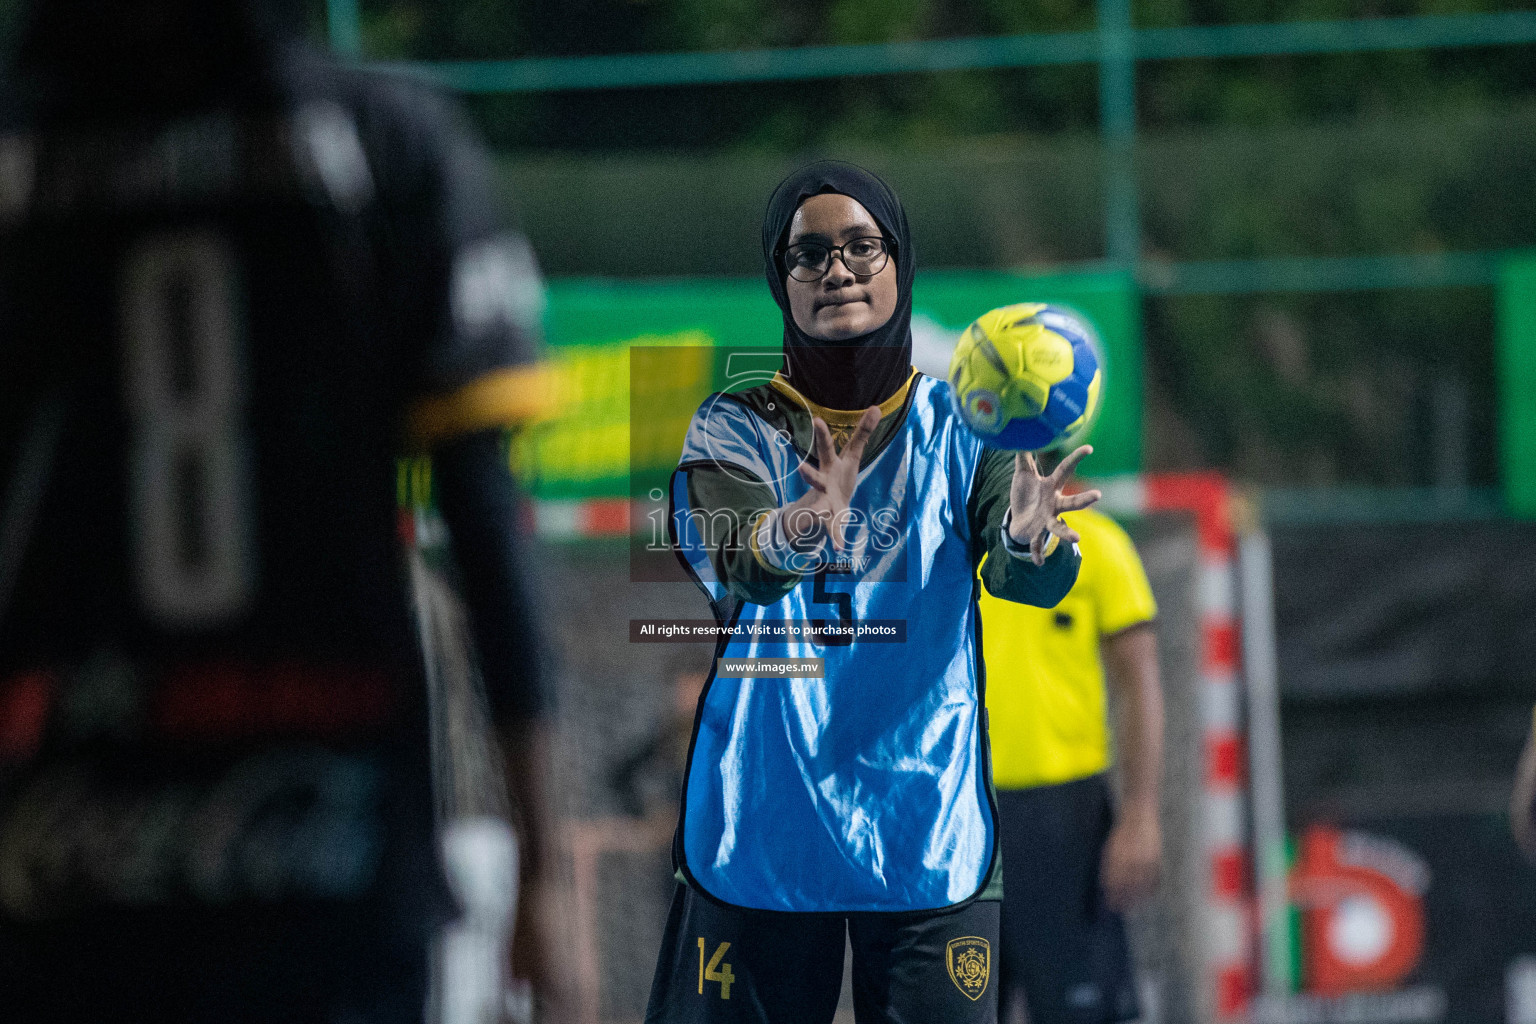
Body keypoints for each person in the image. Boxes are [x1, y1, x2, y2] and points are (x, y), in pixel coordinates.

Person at [0, 1, 561, 1020]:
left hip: (61, 837)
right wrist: (551, 872)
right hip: (331, 842)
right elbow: (488, 529)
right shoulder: (387, 141)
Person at [645, 160, 1100, 1024]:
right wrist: (803, 527)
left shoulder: (969, 428)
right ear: (779, 282)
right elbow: (736, 560)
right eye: (808, 253)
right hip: (762, 826)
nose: (838, 268)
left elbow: (1021, 575)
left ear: (901, 262)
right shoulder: (731, 425)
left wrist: (1031, 537)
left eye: (862, 245)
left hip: (925, 829)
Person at [979, 505, 1163, 1024]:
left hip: (1065, 818)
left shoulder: (1099, 544)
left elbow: (1139, 681)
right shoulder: (947, 540)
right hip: (957, 815)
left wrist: (1141, 815)